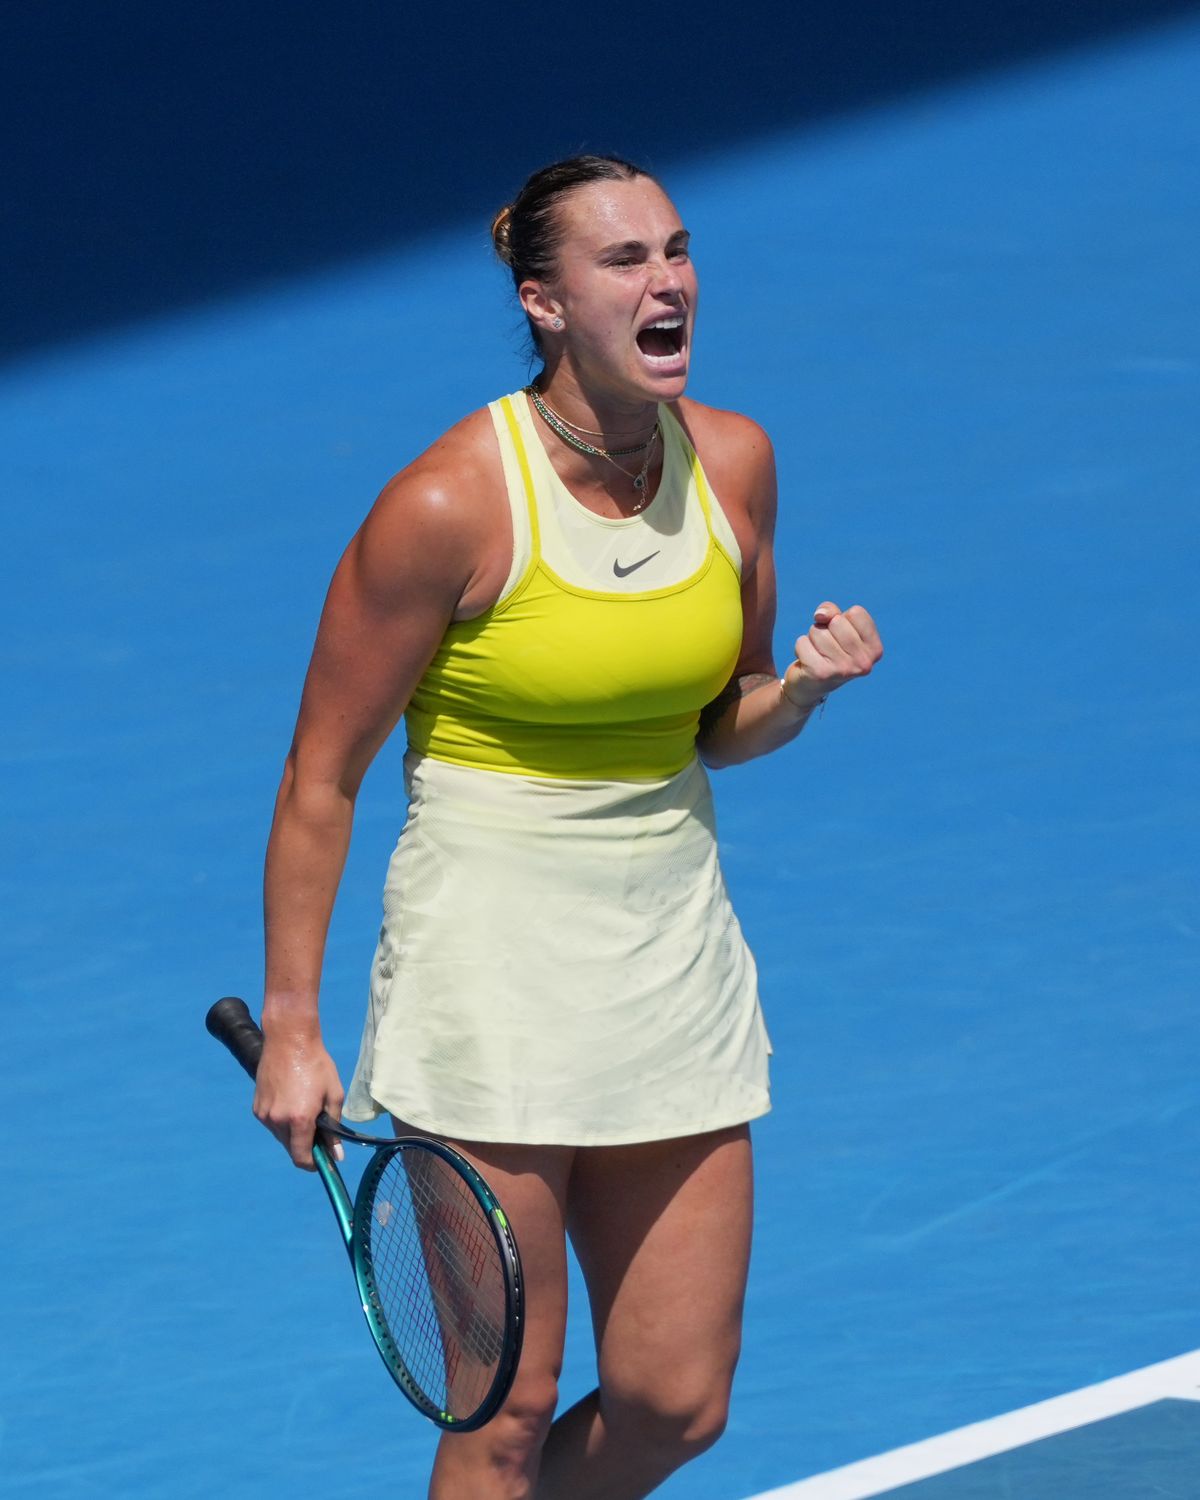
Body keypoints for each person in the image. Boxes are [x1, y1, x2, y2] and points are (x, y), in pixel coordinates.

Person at [252, 154, 883, 1500]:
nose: (669, 282)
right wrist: (296, 1024)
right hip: (489, 966)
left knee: (676, 1400)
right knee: (505, 1414)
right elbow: (320, 774)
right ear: (543, 303)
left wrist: (805, 694)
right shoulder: (445, 507)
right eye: (624, 262)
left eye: (677, 250)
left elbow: (724, 721)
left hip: (672, 958)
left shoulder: (736, 463)